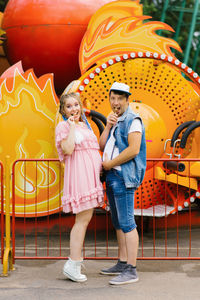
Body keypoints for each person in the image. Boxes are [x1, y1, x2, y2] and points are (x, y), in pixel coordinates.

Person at [99, 82, 146, 285]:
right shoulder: (115, 120)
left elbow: (133, 150)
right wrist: (108, 125)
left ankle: (131, 269)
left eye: (119, 98)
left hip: (123, 177)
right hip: (112, 177)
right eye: (113, 98)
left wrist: (110, 164)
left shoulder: (132, 120)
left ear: (128, 100)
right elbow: (101, 144)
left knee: (127, 223)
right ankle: (121, 262)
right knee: (118, 223)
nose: (115, 102)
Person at [55, 92, 104, 282]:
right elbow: (67, 149)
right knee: (82, 219)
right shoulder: (64, 126)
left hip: (90, 175)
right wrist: (72, 127)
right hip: (79, 174)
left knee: (85, 218)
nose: (74, 109)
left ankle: (75, 262)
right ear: (63, 110)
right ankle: (73, 263)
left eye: (76, 105)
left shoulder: (86, 125)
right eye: (69, 106)